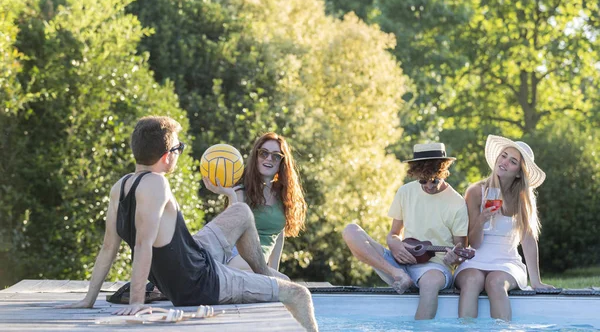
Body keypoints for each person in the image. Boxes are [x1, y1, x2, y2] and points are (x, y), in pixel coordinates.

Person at [58, 116, 318, 331]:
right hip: (204, 281)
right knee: (299, 295)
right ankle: (265, 280)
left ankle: (262, 274)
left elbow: (108, 249)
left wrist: (88, 300)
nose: (179, 153)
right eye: (178, 148)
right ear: (166, 156)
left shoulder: (121, 186)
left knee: (241, 212)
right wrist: (137, 302)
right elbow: (142, 244)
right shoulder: (158, 184)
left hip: (195, 256)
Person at [342, 143, 469, 320]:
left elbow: (460, 251)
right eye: (423, 181)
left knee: (430, 283)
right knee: (350, 231)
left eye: (435, 180)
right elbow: (394, 233)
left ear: (443, 172)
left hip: (435, 269)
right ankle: (400, 276)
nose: (429, 186)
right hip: (400, 266)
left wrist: (454, 259)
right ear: (415, 175)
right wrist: (394, 244)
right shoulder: (405, 192)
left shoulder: (457, 203)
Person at [455, 134, 554, 321]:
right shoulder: (476, 192)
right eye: (504, 155)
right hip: (475, 258)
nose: (504, 162)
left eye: (513, 161)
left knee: (495, 282)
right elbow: (473, 244)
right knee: (471, 280)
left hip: (507, 262)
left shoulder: (523, 198)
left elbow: (528, 238)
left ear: (519, 172)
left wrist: (536, 281)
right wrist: (483, 218)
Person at [202, 132, 307, 278]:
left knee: (281, 280)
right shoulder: (241, 191)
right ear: (256, 157)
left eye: (276, 156)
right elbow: (230, 229)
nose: (269, 158)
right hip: (236, 258)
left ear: (282, 163)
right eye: (263, 153)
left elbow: (278, 237)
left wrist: (273, 272)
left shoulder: (283, 195)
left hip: (258, 267)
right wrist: (230, 194)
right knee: (281, 282)